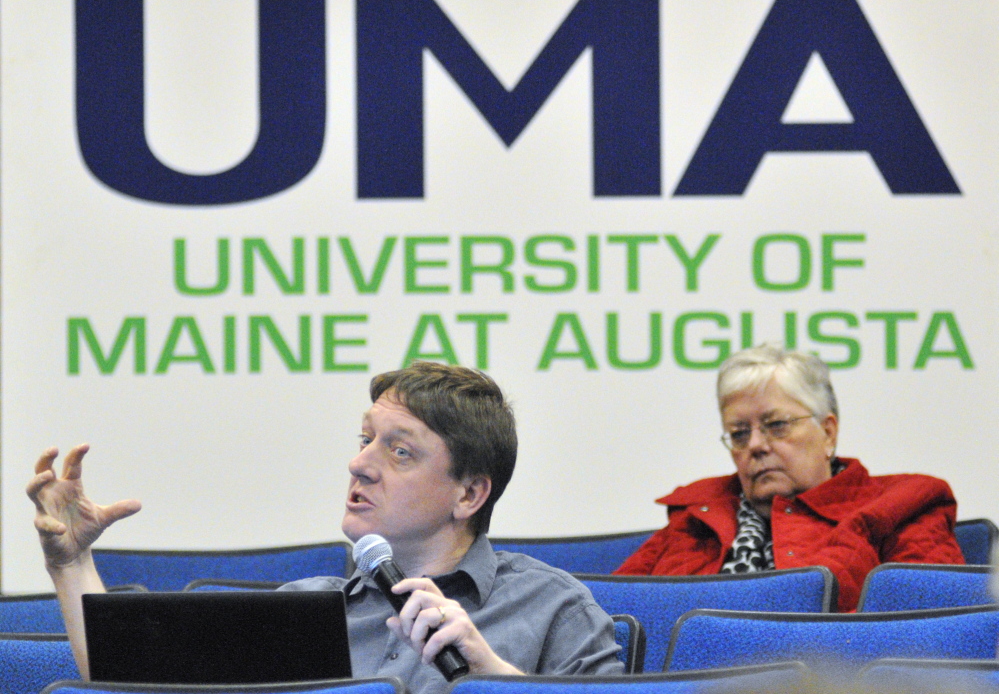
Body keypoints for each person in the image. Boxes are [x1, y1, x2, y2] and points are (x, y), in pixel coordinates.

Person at [28, 362, 623, 693]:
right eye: (365, 440)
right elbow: (128, 685)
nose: (358, 463)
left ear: (468, 493)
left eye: (399, 452)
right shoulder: (300, 611)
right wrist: (70, 563)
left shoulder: (552, 608)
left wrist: (494, 678)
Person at [615, 344, 964, 611]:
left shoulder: (902, 506)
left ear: (828, 432)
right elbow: (607, 612)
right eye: (738, 433)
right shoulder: (696, 516)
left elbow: (928, 632)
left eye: (776, 425)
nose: (755, 445)